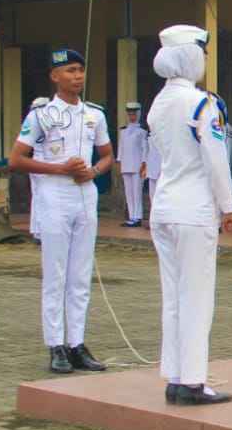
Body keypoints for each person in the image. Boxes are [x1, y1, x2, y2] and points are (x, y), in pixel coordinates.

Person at [147, 24, 232, 405]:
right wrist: (230, 209)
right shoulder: (202, 103)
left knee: (173, 296)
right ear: (192, 57)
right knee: (197, 296)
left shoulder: (159, 103)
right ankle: (193, 382)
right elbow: (216, 159)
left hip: (164, 206)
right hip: (194, 208)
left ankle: (175, 375)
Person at [8, 48, 113, 375]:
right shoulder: (40, 115)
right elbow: (16, 159)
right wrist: (60, 169)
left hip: (85, 194)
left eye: (80, 70)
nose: (77, 76)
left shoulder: (94, 114)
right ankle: (56, 344)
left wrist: (93, 171)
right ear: (55, 76)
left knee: (80, 275)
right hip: (54, 195)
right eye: (69, 70)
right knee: (56, 275)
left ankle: (77, 343)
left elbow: (108, 154)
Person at [117, 101, 149, 228]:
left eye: (134, 114)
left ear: (139, 114)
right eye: (130, 114)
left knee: (137, 192)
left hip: (137, 166)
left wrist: (144, 163)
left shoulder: (142, 131)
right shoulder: (123, 131)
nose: (132, 117)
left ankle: (138, 217)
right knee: (128, 192)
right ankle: (131, 216)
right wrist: (119, 161)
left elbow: (144, 148)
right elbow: (121, 148)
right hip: (126, 164)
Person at [26, 96, 50, 241]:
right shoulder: (45, 122)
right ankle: (41, 230)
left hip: (35, 161)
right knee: (44, 197)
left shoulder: (30, 121)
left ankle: (36, 230)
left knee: (36, 196)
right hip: (44, 163)